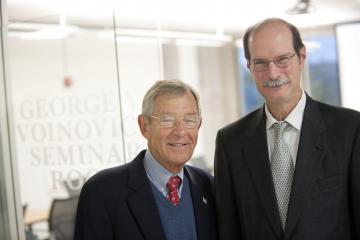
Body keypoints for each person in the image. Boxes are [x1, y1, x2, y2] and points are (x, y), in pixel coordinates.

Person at [214, 18, 360, 240]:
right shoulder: (229, 141)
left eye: (282, 59)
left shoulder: (350, 129)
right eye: (261, 63)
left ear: (301, 56)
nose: (272, 73)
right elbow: (229, 230)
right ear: (249, 67)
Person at [74, 80, 218, 240]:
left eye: (189, 120)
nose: (180, 131)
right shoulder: (101, 192)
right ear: (144, 126)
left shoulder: (209, 186)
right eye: (167, 120)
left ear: (198, 126)